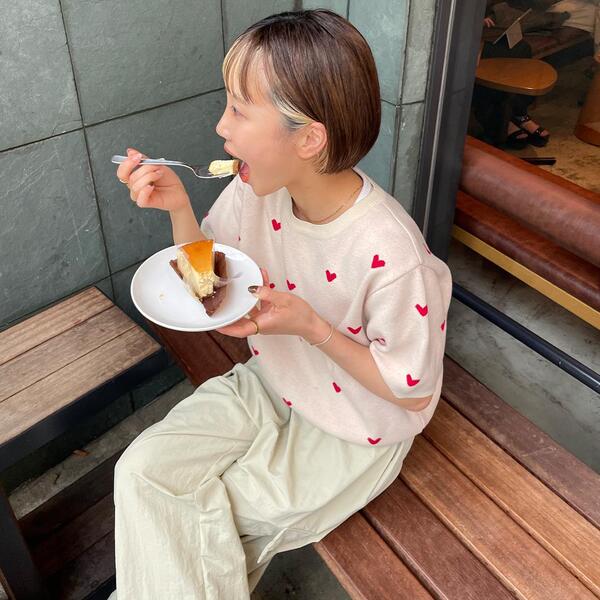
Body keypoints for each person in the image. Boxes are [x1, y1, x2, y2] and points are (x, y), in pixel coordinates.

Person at [111, 9, 452, 599]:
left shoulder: (394, 257)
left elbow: (411, 391)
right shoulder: (256, 189)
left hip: (356, 429)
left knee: (201, 525)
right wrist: (178, 208)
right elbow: (211, 278)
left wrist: (313, 328)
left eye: (239, 110)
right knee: (142, 472)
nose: (221, 126)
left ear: (308, 139)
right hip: (274, 383)